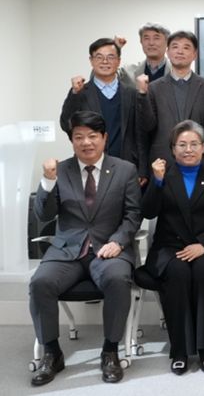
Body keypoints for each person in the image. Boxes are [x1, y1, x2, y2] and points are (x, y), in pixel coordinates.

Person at [28, 111, 141, 386]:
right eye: (79, 137)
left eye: (92, 136)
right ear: (72, 141)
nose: (86, 142)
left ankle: (110, 351)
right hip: (67, 250)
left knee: (117, 279)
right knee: (40, 282)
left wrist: (118, 241)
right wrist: (48, 181)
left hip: (109, 249)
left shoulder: (125, 170)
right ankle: (52, 353)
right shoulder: (61, 170)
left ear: (104, 138)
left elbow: (133, 215)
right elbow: (44, 214)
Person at [139, 120, 204, 375]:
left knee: (203, 270)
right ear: (172, 149)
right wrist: (156, 182)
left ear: (203, 147)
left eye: (194, 144)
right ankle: (179, 349)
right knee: (178, 272)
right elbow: (148, 212)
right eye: (182, 145)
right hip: (169, 247)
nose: (188, 149)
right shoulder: (164, 176)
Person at [59, 38, 147, 184]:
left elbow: (141, 133)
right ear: (91, 61)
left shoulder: (131, 93)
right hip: (90, 166)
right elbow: (65, 124)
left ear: (118, 61)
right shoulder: (80, 92)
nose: (105, 61)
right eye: (99, 57)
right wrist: (74, 94)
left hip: (126, 165)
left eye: (110, 57)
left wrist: (142, 168)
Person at [136, 30, 204, 172]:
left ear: (195, 54)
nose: (180, 51)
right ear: (168, 52)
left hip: (199, 165)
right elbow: (146, 129)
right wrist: (142, 95)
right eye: (175, 47)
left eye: (186, 47)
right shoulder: (153, 88)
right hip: (162, 164)